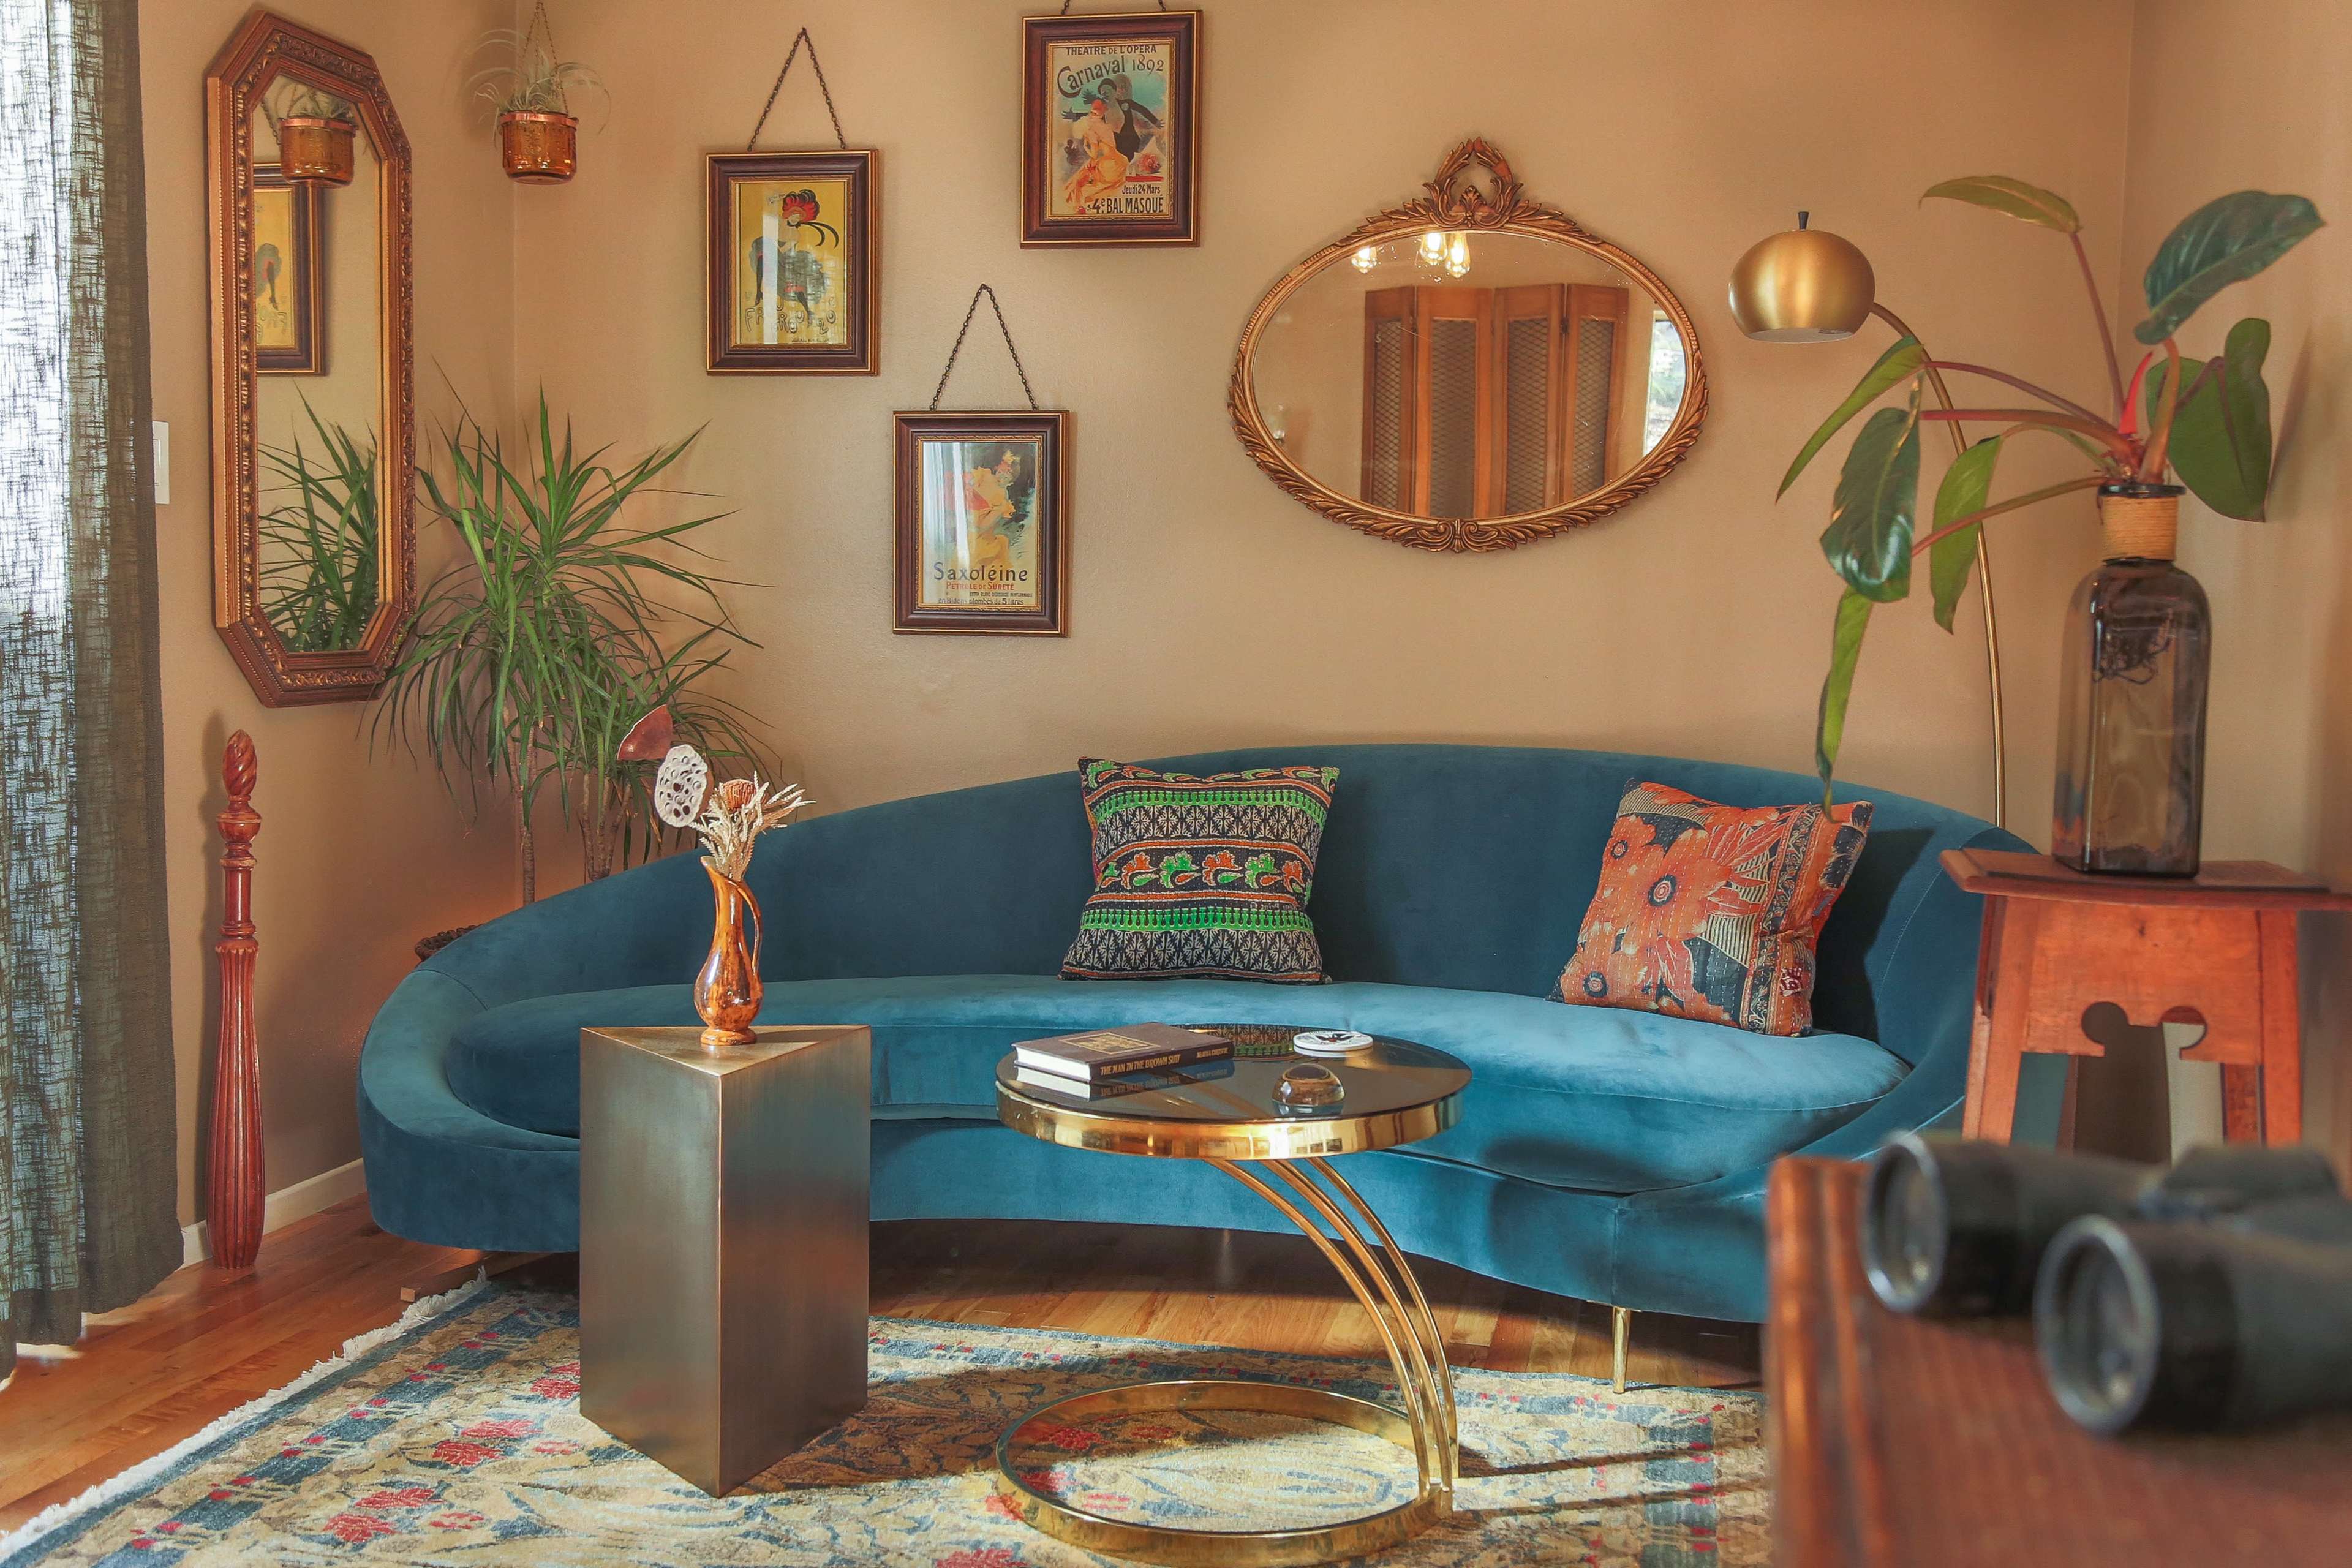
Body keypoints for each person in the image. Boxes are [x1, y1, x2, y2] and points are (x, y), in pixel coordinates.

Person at [1059, 96, 1128, 213]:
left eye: (1094, 114)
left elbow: (1094, 155)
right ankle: (1077, 203)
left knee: (1079, 180)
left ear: (1101, 115)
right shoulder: (1105, 128)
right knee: (1080, 177)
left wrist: (1086, 147)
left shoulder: (1092, 131)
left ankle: (1077, 205)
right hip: (1118, 163)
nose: (1091, 116)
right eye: (1091, 113)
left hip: (1108, 167)